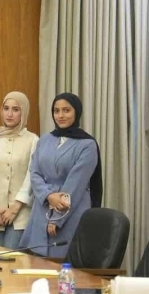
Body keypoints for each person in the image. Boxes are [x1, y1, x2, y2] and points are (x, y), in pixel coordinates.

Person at [20, 93, 102, 258]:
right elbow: (34, 172)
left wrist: (57, 218)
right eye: (56, 111)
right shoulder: (45, 139)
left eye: (66, 110)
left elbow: (76, 184)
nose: (61, 115)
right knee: (35, 262)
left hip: (70, 210)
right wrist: (48, 196)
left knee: (62, 264)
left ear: (76, 112)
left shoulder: (87, 144)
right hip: (42, 207)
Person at [0, 91, 39, 249]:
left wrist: (15, 208)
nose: (9, 114)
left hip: (20, 213)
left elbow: (31, 176)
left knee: (11, 257)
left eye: (16, 109)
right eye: (6, 108)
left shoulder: (33, 140)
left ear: (24, 112)